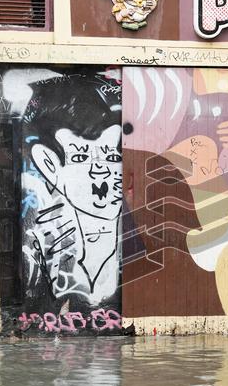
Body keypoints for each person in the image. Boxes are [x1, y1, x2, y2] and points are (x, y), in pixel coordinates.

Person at [21, 74, 139, 313]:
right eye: (81, 157)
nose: (101, 173)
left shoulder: (138, 244)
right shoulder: (41, 251)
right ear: (50, 166)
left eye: (112, 157)